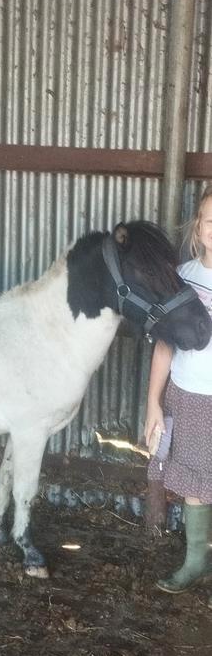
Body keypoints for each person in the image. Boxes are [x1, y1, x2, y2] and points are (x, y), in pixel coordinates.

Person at [144, 184, 212, 600]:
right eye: (211, 220)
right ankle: (195, 561)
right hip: (187, 395)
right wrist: (153, 401)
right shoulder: (182, 277)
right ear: (199, 227)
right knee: (191, 480)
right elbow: (165, 344)